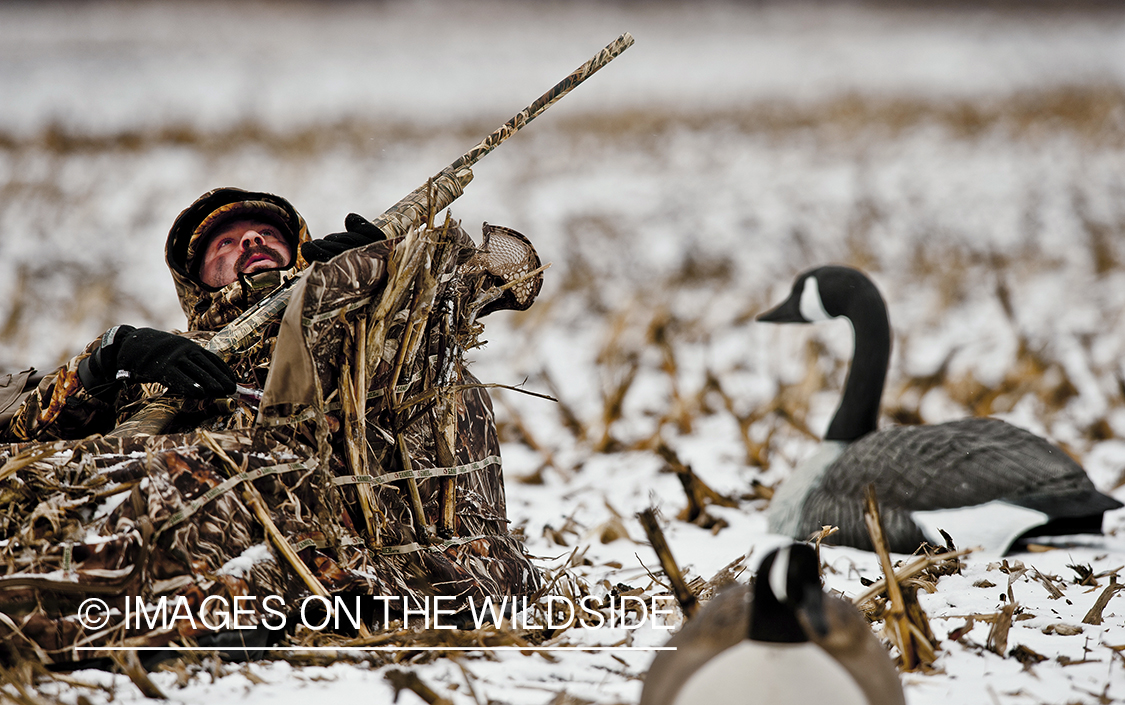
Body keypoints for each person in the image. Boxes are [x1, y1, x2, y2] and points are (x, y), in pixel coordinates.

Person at [0, 187, 543, 661]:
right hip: (170, 527)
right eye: (226, 244)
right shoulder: (166, 355)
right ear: (197, 281)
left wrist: (384, 275)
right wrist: (110, 358)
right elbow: (23, 429)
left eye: (265, 234)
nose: (251, 244)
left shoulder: (359, 325)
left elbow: (509, 276)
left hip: (341, 549)